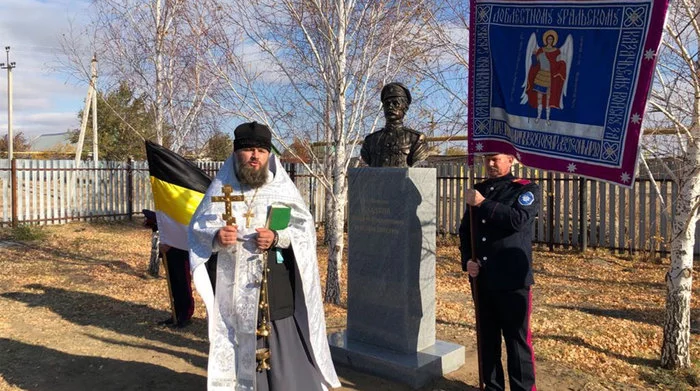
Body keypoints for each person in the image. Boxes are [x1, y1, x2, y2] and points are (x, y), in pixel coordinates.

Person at [188, 121, 340, 391]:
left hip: (273, 285)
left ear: (269, 154)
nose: (255, 156)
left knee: (280, 344)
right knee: (235, 334)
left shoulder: (281, 188)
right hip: (231, 286)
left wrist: (278, 237)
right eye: (248, 150)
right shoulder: (221, 189)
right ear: (236, 153)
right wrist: (215, 238)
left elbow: (304, 230)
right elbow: (197, 228)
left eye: (261, 150)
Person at [458, 153, 539, 391]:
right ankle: (492, 387)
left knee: (517, 342)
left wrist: (483, 203)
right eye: (487, 159)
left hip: (512, 279)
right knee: (488, 340)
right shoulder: (479, 189)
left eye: (496, 159)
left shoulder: (526, 189)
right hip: (482, 279)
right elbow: (466, 231)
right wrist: (467, 261)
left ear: (511, 160)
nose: (491, 164)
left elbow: (518, 220)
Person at [360, 82, 430, 167]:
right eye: (387, 104)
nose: (390, 107)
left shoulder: (416, 139)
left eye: (395, 103)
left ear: (405, 107)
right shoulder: (370, 141)